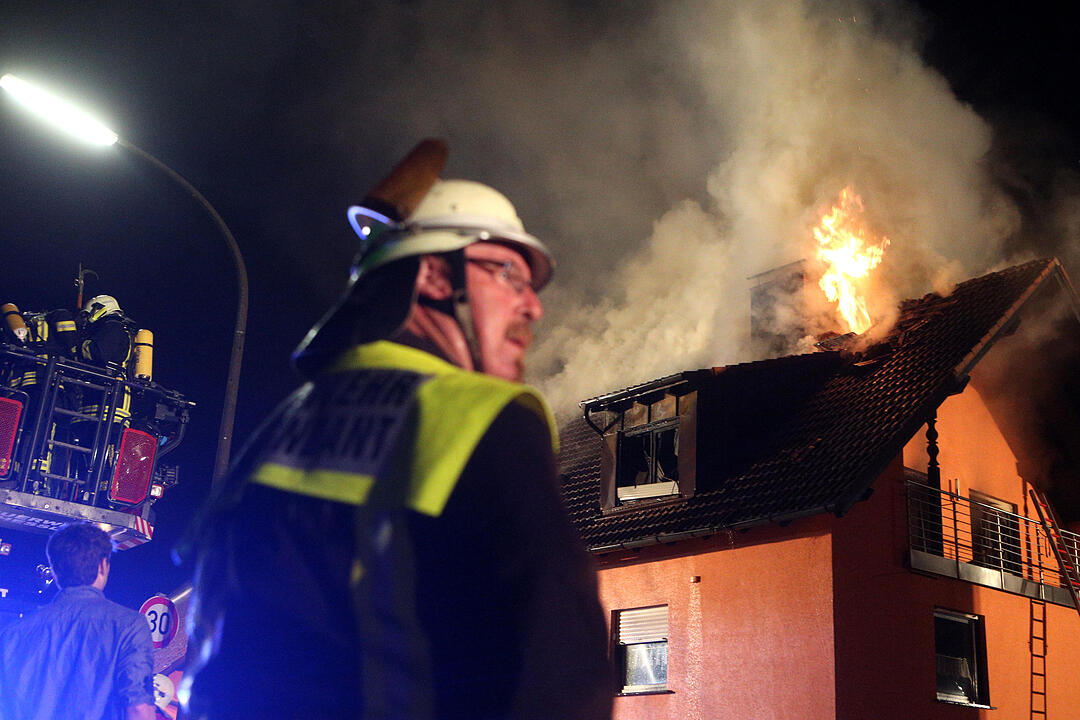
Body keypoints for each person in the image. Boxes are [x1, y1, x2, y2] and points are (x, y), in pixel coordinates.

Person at [183, 141, 612, 719]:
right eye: (509, 273)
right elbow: (558, 664)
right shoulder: (480, 417)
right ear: (436, 274)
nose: (533, 307)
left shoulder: (274, 434)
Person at [0, 522, 155, 720]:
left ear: (55, 571)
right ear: (102, 565)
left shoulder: (14, 633)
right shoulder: (129, 625)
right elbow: (138, 709)